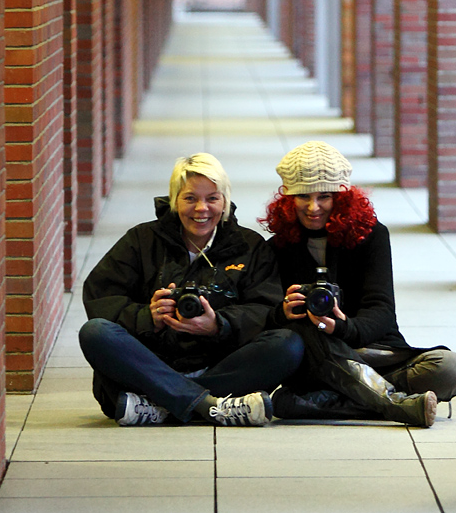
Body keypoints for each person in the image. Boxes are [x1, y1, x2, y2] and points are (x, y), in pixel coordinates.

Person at [79, 153, 303, 426]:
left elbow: (266, 308)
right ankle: (212, 406)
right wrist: (148, 317)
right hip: (153, 361)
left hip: (220, 365)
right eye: (190, 198)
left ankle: (161, 404)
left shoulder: (249, 245)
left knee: (288, 345)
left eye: (212, 198)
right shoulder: (141, 240)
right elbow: (101, 296)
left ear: (225, 202)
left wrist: (219, 325)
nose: (201, 209)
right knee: (95, 332)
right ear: (174, 200)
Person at [260, 141, 456, 427]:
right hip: (319, 358)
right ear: (288, 200)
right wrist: (283, 311)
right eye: (303, 196)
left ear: (342, 198)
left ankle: (338, 401)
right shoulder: (277, 248)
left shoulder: (371, 237)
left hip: (370, 349)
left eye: (324, 196)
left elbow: (382, 310)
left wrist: (344, 327)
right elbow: (262, 316)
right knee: (310, 330)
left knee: (450, 368)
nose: (313, 206)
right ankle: (395, 403)